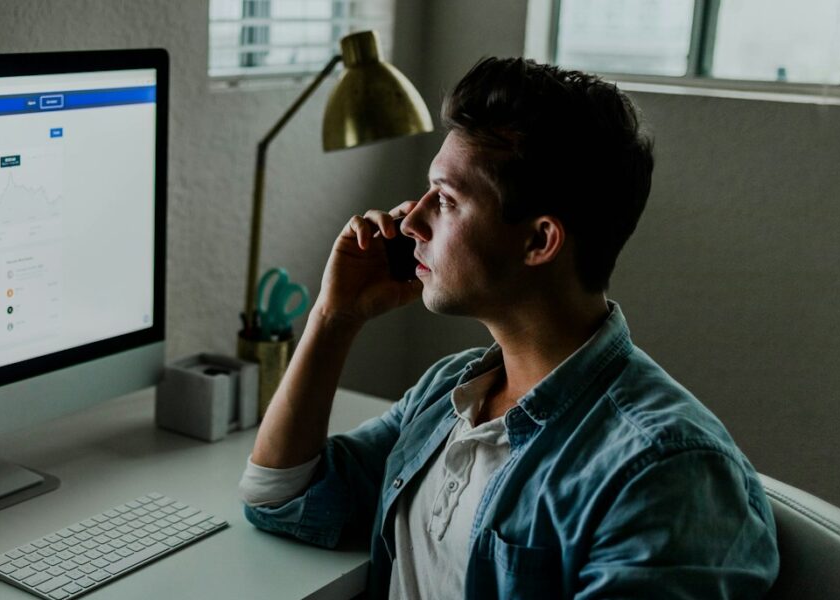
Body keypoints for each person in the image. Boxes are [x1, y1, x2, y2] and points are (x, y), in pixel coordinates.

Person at [239, 57, 779, 599]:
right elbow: (280, 498)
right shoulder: (450, 393)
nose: (410, 221)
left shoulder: (664, 474)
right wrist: (335, 318)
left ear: (539, 241)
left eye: (446, 201)